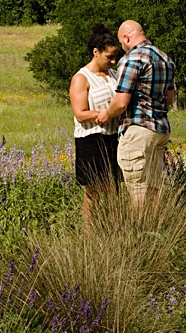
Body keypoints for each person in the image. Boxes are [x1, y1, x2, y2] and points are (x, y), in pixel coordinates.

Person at [95, 18, 176, 212]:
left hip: (138, 129)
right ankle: (155, 230)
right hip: (160, 130)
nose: (122, 48)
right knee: (154, 188)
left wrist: (106, 114)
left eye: (122, 43)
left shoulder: (132, 59)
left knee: (137, 188)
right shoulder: (165, 58)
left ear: (126, 37)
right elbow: (170, 99)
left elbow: (121, 102)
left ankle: (139, 235)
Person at [69, 23, 122, 229]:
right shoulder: (81, 78)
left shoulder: (115, 75)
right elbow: (80, 114)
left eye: (115, 56)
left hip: (114, 137)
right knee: (94, 190)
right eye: (109, 57)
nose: (113, 61)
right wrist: (105, 114)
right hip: (91, 139)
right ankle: (90, 234)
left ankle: (112, 229)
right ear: (95, 52)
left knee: (114, 188)